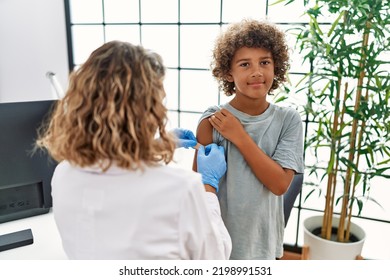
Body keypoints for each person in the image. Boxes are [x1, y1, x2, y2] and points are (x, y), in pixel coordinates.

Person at [36, 40, 231, 260]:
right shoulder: (181, 188)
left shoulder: (64, 173)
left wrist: (153, 146)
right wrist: (208, 186)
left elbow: (115, 178)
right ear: (150, 110)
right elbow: (215, 259)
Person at [193, 19, 304, 260]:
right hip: (217, 242)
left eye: (264, 62)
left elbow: (279, 185)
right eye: (244, 64)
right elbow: (199, 190)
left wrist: (239, 136)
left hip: (261, 243)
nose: (256, 72)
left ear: (276, 67)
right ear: (228, 73)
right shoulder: (213, 120)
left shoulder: (288, 120)